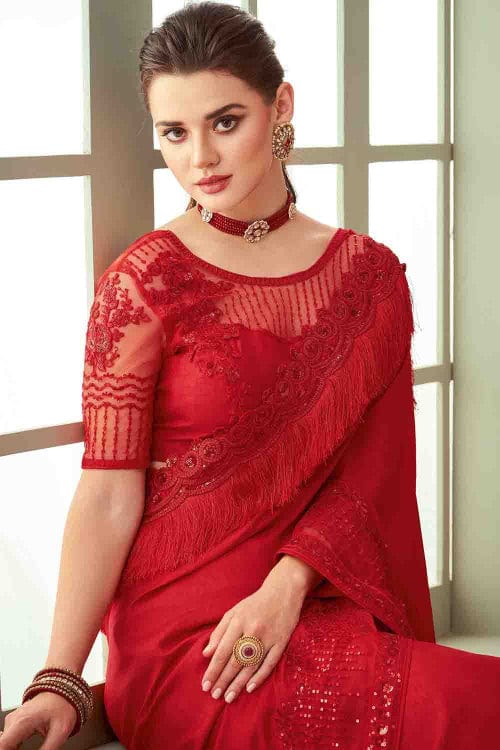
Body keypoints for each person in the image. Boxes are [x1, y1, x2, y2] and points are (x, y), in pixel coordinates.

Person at [2, 3, 500, 749]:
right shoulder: (145, 283)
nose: (200, 157)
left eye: (225, 122)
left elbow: (373, 477)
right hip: (193, 650)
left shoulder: (369, 278)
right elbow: (107, 493)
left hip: (313, 599)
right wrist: (60, 677)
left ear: (281, 107)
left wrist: (285, 587)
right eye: (174, 132)